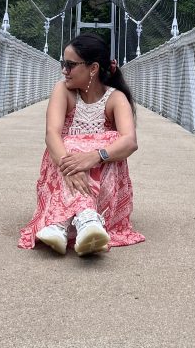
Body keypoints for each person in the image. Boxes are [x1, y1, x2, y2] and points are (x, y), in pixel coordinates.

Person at [18, 33, 144, 256]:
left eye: (70, 65)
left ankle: (63, 224)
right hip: (65, 173)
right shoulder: (63, 90)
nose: (64, 70)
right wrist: (71, 165)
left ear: (93, 68)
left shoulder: (115, 98)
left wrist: (94, 156)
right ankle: (84, 220)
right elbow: (51, 134)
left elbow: (130, 142)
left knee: (110, 141)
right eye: (63, 63)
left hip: (100, 185)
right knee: (65, 144)